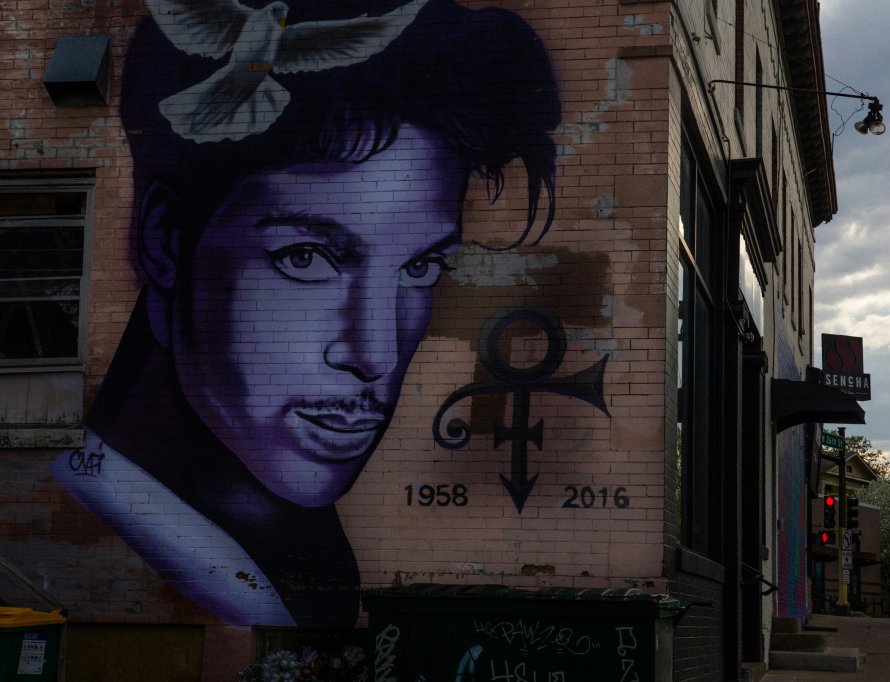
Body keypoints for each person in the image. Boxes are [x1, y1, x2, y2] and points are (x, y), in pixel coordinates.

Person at [51, 0, 559, 628]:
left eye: (422, 266)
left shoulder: (297, 566)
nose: (374, 352)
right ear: (166, 242)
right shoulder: (155, 556)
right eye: (305, 256)